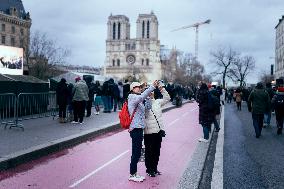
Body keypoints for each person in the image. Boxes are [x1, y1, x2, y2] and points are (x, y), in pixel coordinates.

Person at [128, 80, 158, 182]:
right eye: (138, 87)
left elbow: (148, 108)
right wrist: (151, 87)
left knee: (137, 151)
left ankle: (134, 173)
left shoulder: (139, 99)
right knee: (136, 152)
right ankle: (132, 174)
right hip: (135, 128)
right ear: (132, 89)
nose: (140, 88)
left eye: (140, 87)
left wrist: (149, 96)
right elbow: (140, 97)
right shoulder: (132, 97)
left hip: (139, 128)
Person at [144, 83, 170, 177]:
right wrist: (145, 97)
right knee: (149, 152)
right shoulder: (143, 103)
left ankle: (154, 168)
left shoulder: (158, 102)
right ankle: (149, 169)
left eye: (152, 92)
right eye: (149, 92)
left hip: (159, 131)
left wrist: (161, 88)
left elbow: (167, 98)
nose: (151, 94)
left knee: (156, 152)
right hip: (149, 132)